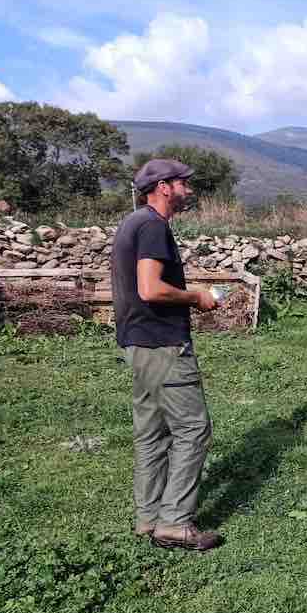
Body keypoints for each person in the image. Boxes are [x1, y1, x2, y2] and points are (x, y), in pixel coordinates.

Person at [111, 159, 222, 551]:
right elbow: (151, 289)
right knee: (193, 430)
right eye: (183, 183)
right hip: (163, 344)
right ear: (163, 187)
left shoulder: (133, 222)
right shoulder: (154, 227)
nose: (188, 189)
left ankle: (148, 517)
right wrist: (197, 297)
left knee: (151, 432)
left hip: (137, 342)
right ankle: (174, 523)